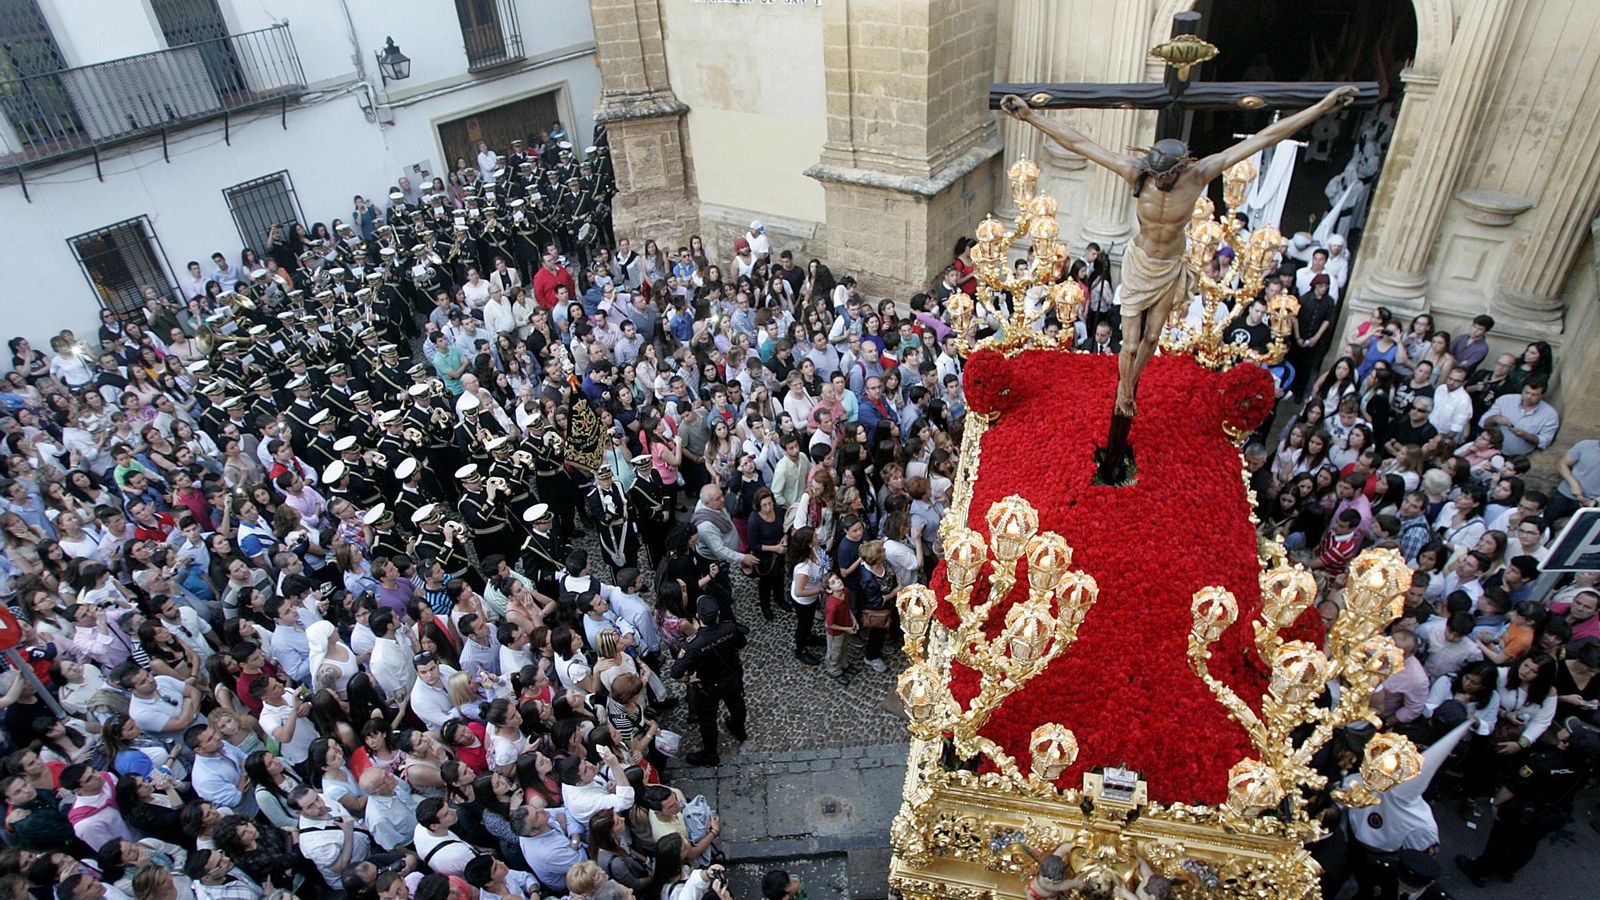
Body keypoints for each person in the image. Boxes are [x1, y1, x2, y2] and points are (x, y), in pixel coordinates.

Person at [1001, 84, 1357, 416]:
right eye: (1156, 178)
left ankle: (1130, 389)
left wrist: (1323, 106)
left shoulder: (1200, 174)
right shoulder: (1135, 172)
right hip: (1140, 261)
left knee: (1153, 337)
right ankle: (1125, 391)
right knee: (1128, 343)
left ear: (1179, 168)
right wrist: (1031, 116)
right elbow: (1081, 143)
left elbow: (1266, 138)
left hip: (1170, 263)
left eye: (1166, 177)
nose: (1161, 183)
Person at [669, 598, 748, 767]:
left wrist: (688, 679)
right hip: (731, 676)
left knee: (707, 720)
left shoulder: (694, 644)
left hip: (708, 685)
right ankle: (740, 730)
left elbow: (675, 672)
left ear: (698, 616)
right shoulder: (730, 628)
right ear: (718, 614)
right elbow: (742, 643)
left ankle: (711, 753)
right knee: (736, 703)